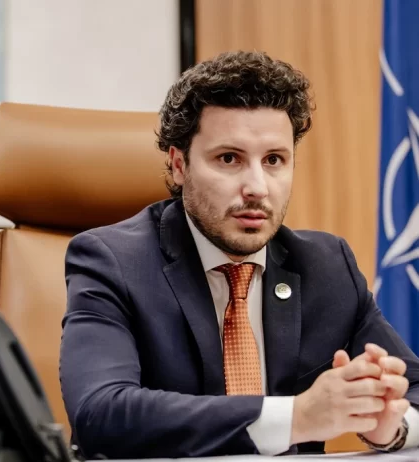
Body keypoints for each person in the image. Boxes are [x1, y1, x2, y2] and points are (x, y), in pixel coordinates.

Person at [59, 51, 419, 459]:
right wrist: (296, 417)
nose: (257, 188)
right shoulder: (112, 261)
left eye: (274, 160)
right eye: (229, 159)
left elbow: (414, 389)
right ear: (179, 165)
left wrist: (391, 424)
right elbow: (100, 413)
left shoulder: (327, 265)